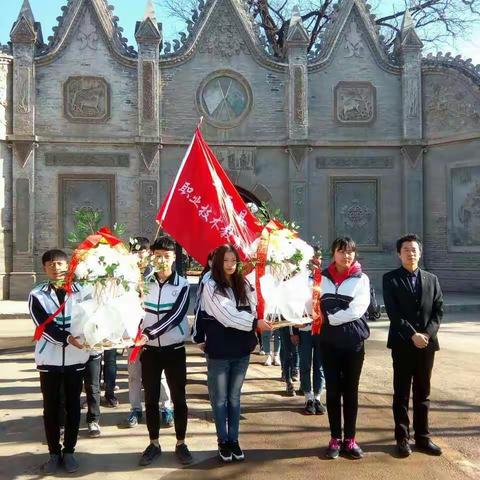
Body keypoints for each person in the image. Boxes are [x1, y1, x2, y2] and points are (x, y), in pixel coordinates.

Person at [198, 244, 271, 462]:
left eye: (233, 260)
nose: (230, 265)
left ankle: (234, 440)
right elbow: (227, 315)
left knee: (234, 397)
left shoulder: (243, 282)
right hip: (220, 350)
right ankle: (223, 441)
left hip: (241, 349)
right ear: (218, 262)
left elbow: (254, 304)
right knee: (219, 399)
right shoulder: (210, 285)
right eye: (225, 261)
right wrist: (254, 322)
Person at [29, 249, 90, 474]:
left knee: (74, 405)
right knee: (51, 407)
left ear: (69, 266)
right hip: (49, 360)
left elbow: (93, 317)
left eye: (60, 264)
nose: (56, 268)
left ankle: (70, 451)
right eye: (51, 264)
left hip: (76, 358)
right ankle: (54, 453)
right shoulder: (37, 295)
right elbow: (44, 326)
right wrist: (67, 338)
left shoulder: (83, 291)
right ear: (45, 268)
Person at [383, 233, 443, 458]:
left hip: (427, 345)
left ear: (420, 252)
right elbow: (394, 313)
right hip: (402, 344)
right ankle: (402, 438)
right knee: (401, 393)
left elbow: (439, 310)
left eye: (414, 249)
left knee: (423, 393)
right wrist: (412, 335)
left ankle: (423, 438)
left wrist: (426, 334)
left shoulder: (431, 279)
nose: (411, 253)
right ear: (399, 254)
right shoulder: (390, 279)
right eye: (406, 249)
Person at [134, 236, 193, 466]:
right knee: (150, 398)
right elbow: (133, 311)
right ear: (152, 257)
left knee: (179, 398)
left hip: (174, 349)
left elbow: (175, 316)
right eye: (157, 256)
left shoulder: (183, 285)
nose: (162, 261)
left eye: (166, 257)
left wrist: (149, 333)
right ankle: (154, 443)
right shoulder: (143, 283)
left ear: (174, 258)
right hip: (149, 351)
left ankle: (181, 442)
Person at [319, 237, 370, 460]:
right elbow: (311, 303)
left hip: (353, 343)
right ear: (334, 254)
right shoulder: (320, 278)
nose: (346, 255)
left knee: (350, 390)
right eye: (342, 251)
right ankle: (334, 438)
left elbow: (356, 310)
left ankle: (350, 439)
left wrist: (328, 317)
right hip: (328, 343)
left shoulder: (361, 279)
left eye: (350, 252)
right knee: (332, 390)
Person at [125, 237, 173, 429]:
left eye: (143, 251)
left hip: (154, 333)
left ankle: (166, 407)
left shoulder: (157, 276)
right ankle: (135, 408)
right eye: (135, 252)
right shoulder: (125, 275)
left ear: (150, 254)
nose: (140, 255)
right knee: (134, 373)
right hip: (133, 332)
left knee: (161, 374)